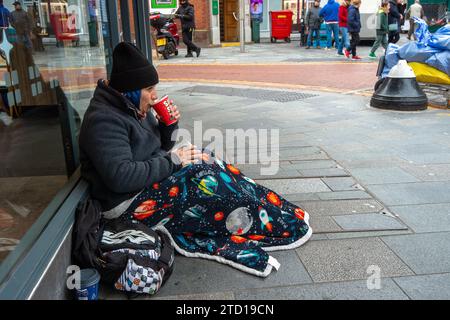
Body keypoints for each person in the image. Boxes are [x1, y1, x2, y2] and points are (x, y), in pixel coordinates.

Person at [79, 42, 311, 274]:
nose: (154, 95)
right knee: (204, 180)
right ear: (129, 90)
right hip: (126, 202)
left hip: (145, 182)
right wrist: (174, 161)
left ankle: (274, 209)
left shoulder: (132, 107)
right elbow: (121, 177)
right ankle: (274, 224)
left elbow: (156, 147)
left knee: (207, 159)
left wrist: (168, 127)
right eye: (149, 89)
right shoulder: (104, 121)